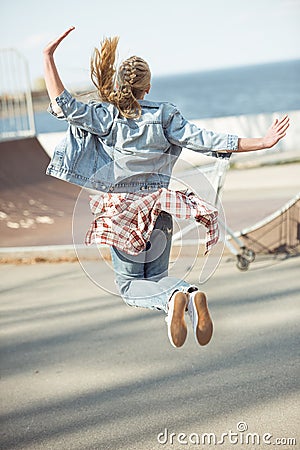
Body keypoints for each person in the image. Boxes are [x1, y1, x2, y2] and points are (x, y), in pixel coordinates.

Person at [43, 26, 290, 349]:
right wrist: (262, 142)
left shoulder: (106, 116)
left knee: (131, 286)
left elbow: (64, 104)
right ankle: (187, 293)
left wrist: (47, 57)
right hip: (160, 209)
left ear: (119, 85)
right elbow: (206, 140)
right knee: (157, 279)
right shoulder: (164, 115)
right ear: (147, 89)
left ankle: (175, 298)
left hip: (124, 213)